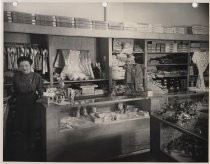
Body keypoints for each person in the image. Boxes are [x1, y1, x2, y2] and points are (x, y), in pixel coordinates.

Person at [10, 56, 44, 161]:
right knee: (23, 124)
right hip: (20, 102)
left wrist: (42, 98)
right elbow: (14, 91)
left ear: (30, 66)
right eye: (21, 66)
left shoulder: (37, 76)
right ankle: (24, 144)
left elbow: (41, 90)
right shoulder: (15, 76)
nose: (24, 68)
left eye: (26, 65)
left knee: (33, 123)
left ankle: (32, 143)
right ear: (19, 67)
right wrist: (11, 100)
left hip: (33, 102)